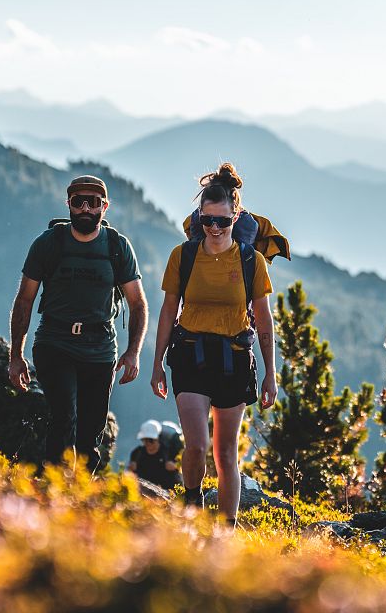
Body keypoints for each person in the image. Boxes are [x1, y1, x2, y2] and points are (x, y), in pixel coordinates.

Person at [151, 163, 278, 528]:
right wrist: (158, 363)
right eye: (208, 221)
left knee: (225, 455)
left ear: (236, 216)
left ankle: (226, 532)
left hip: (235, 359)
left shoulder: (251, 262)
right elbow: (167, 311)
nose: (215, 228)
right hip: (190, 354)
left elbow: (264, 319)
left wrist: (270, 374)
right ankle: (191, 504)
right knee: (196, 445)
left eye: (222, 221)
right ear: (199, 218)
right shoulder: (184, 256)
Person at [8, 174, 148, 474]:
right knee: (64, 415)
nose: (85, 208)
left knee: (91, 430)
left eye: (93, 203)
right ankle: (54, 489)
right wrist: (15, 356)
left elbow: (137, 303)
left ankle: (83, 496)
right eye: (78, 202)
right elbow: (24, 301)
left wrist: (133, 351)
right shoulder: (47, 244)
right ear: (68, 204)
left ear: (104, 207)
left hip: (100, 348)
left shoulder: (117, 247)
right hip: (54, 342)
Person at [128, 419, 181, 490]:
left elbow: (181, 469)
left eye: (150, 440)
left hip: (168, 494)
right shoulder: (137, 453)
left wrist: (175, 467)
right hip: (143, 495)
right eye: (144, 440)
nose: (147, 443)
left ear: (158, 438)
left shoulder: (169, 452)